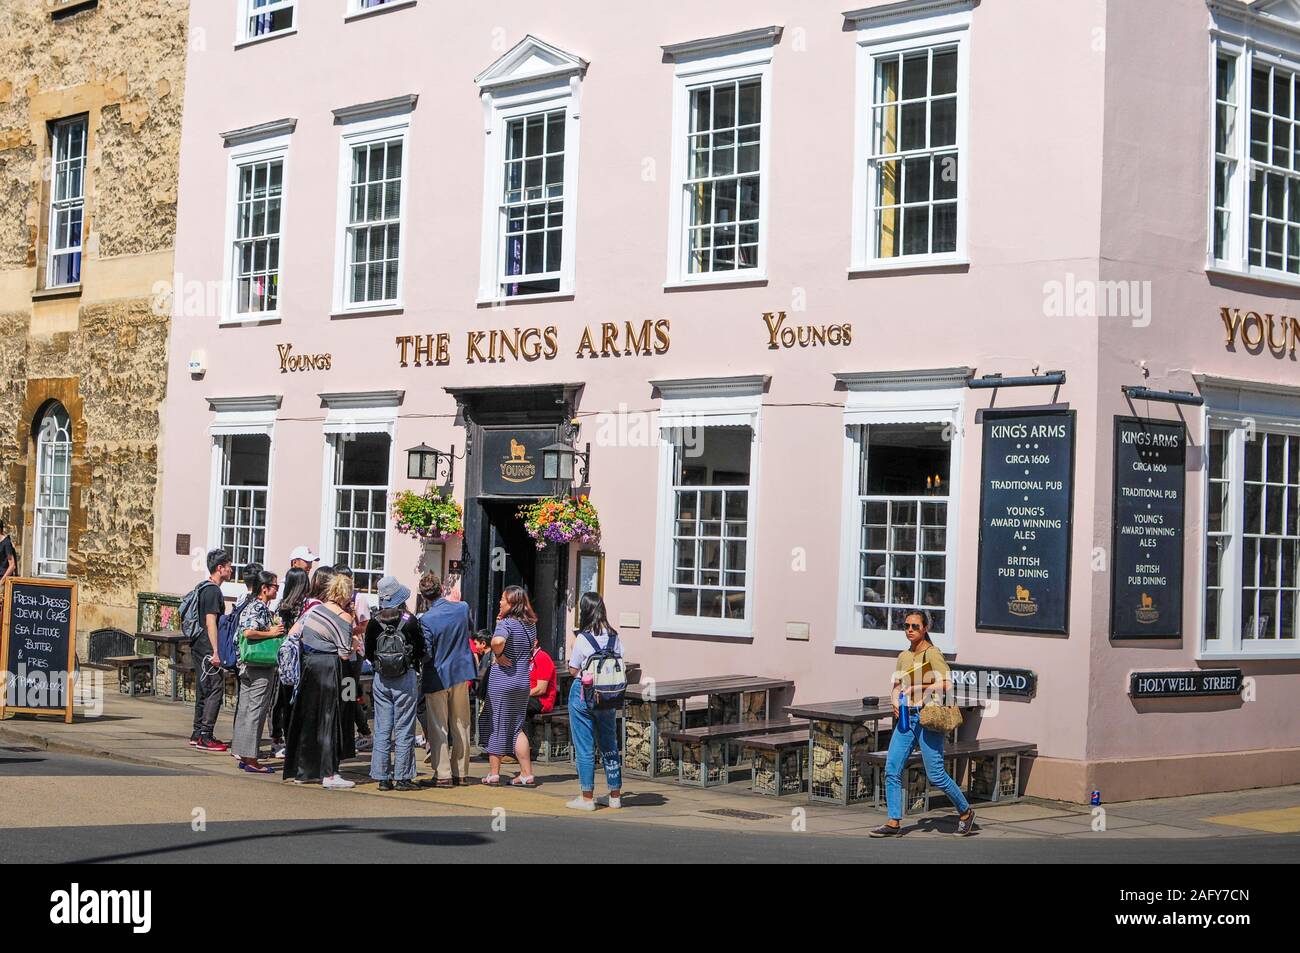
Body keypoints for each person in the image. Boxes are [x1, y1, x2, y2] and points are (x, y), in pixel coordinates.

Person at [870, 609, 975, 837]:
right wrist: (894, 700)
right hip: (907, 717)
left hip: (928, 717)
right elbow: (897, 685)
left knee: (936, 774)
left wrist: (919, 687)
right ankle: (893, 821)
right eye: (906, 626)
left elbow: (947, 684)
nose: (909, 630)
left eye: (915, 626)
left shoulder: (933, 654)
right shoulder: (904, 656)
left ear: (925, 628)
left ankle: (965, 812)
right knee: (892, 768)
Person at [282, 571, 356, 789]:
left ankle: (303, 771)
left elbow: (296, 635)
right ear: (345, 594)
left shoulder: (314, 610)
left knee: (308, 718)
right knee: (330, 720)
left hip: (309, 667)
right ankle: (330, 773)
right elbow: (344, 652)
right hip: (332, 669)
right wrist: (353, 643)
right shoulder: (344, 618)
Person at [365, 575, 425, 791]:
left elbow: (369, 652)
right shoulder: (410, 620)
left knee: (382, 728)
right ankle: (403, 777)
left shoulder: (374, 621)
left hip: (381, 679)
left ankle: (382, 777)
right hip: (405, 677)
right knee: (404, 727)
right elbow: (421, 649)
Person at [565, 592, 623, 811]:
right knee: (609, 744)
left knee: (584, 745)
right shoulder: (614, 636)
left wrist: (574, 649)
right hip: (609, 695)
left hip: (584, 692)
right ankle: (615, 795)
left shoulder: (583, 638)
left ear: (585, 611)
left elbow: (573, 670)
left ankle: (587, 797)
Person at [418, 572, 476, 788]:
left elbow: (427, 652)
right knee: (461, 723)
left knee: (438, 726)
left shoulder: (427, 619)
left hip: (436, 675)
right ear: (441, 588)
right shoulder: (462, 608)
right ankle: (460, 772)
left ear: (424, 596)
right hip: (460, 672)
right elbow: (469, 630)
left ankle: (442, 774)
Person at [231, 570, 285, 773]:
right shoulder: (259, 607)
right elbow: (248, 632)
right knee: (256, 710)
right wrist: (271, 632)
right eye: (275, 586)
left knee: (246, 710)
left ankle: (243, 753)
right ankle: (252, 759)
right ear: (265, 588)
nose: (277, 590)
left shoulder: (248, 604)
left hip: (245, 664)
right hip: (259, 665)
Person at [483, 586, 536, 787]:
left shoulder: (506, 624)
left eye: (503, 600)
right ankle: (526, 773)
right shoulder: (530, 625)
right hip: (522, 680)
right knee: (516, 727)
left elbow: (497, 641)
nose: (499, 602)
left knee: (496, 723)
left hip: (503, 680)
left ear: (512, 603)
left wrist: (498, 654)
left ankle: (494, 773)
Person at [189, 549, 233, 752]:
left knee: (203, 687)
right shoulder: (213, 591)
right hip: (207, 645)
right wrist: (216, 651)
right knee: (215, 688)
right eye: (228, 566)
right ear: (219, 568)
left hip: (198, 644)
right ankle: (206, 735)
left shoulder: (203, 587)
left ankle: (197, 732)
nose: (231, 569)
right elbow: (210, 622)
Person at [270, 566, 310, 756]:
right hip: (300, 657)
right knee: (298, 701)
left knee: (283, 701)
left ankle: (281, 738)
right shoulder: (305, 606)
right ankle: (297, 740)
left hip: (283, 658)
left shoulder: (282, 605)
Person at [333, 564, 372, 752]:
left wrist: (346, 628)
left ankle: (363, 732)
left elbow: (364, 625)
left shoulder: (358, 598)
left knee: (349, 693)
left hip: (354, 654)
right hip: (339, 652)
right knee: (344, 693)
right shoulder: (333, 600)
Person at [526, 633, 557, 731]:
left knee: (515, 703)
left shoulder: (542, 657)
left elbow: (541, 689)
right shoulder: (527, 659)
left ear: (535, 642)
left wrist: (521, 695)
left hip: (542, 701)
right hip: (530, 698)